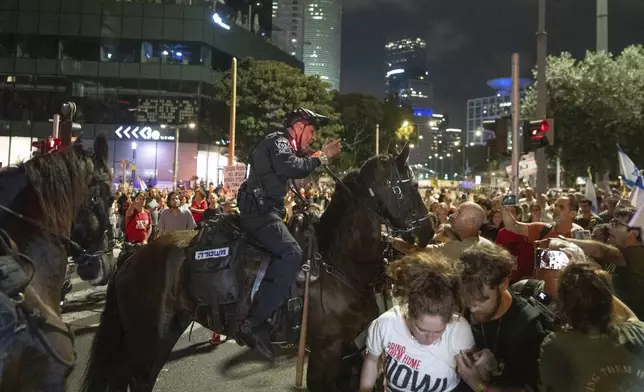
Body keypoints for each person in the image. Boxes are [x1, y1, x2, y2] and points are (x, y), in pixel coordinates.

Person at [235, 108, 342, 360]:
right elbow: (291, 166)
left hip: (269, 213)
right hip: (259, 215)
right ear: (299, 126)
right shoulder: (278, 140)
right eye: (312, 130)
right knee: (292, 253)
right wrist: (322, 157)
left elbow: (295, 165)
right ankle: (253, 322)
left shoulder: (284, 144)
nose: (313, 137)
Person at [359, 252, 475, 392]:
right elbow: (371, 360)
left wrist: (482, 369)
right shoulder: (386, 324)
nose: (430, 338)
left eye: (438, 331)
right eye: (422, 329)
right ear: (408, 314)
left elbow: (473, 378)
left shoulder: (459, 328)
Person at [540, 262, 644, 392]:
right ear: (608, 299)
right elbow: (630, 317)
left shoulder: (556, 344)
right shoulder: (636, 332)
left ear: (563, 304)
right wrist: (594, 283)